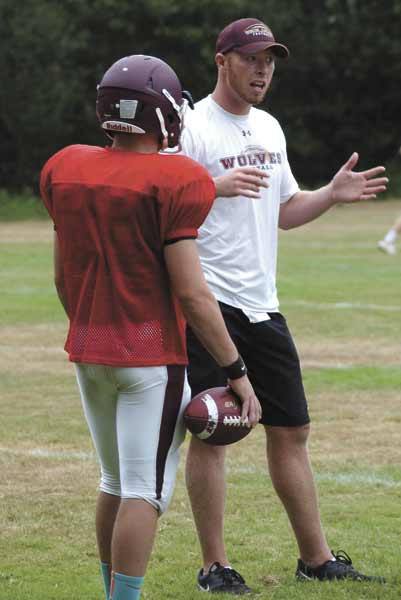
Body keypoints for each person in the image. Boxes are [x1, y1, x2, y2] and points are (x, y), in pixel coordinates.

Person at [39, 54, 261, 600]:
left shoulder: (67, 167)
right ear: (163, 111)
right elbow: (191, 292)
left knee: (114, 482)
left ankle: (110, 592)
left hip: (89, 352)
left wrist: (94, 329)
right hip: (150, 357)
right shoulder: (177, 178)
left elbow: (61, 277)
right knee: (146, 490)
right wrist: (236, 371)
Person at [180, 18, 388, 593]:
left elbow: (284, 209)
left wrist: (329, 195)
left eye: (269, 59)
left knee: (291, 430)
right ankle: (215, 567)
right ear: (223, 60)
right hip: (208, 303)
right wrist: (206, 187)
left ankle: (316, 559)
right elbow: (167, 207)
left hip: (262, 306)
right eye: (251, 59)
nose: (263, 69)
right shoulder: (192, 128)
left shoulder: (270, 128)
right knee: (213, 432)